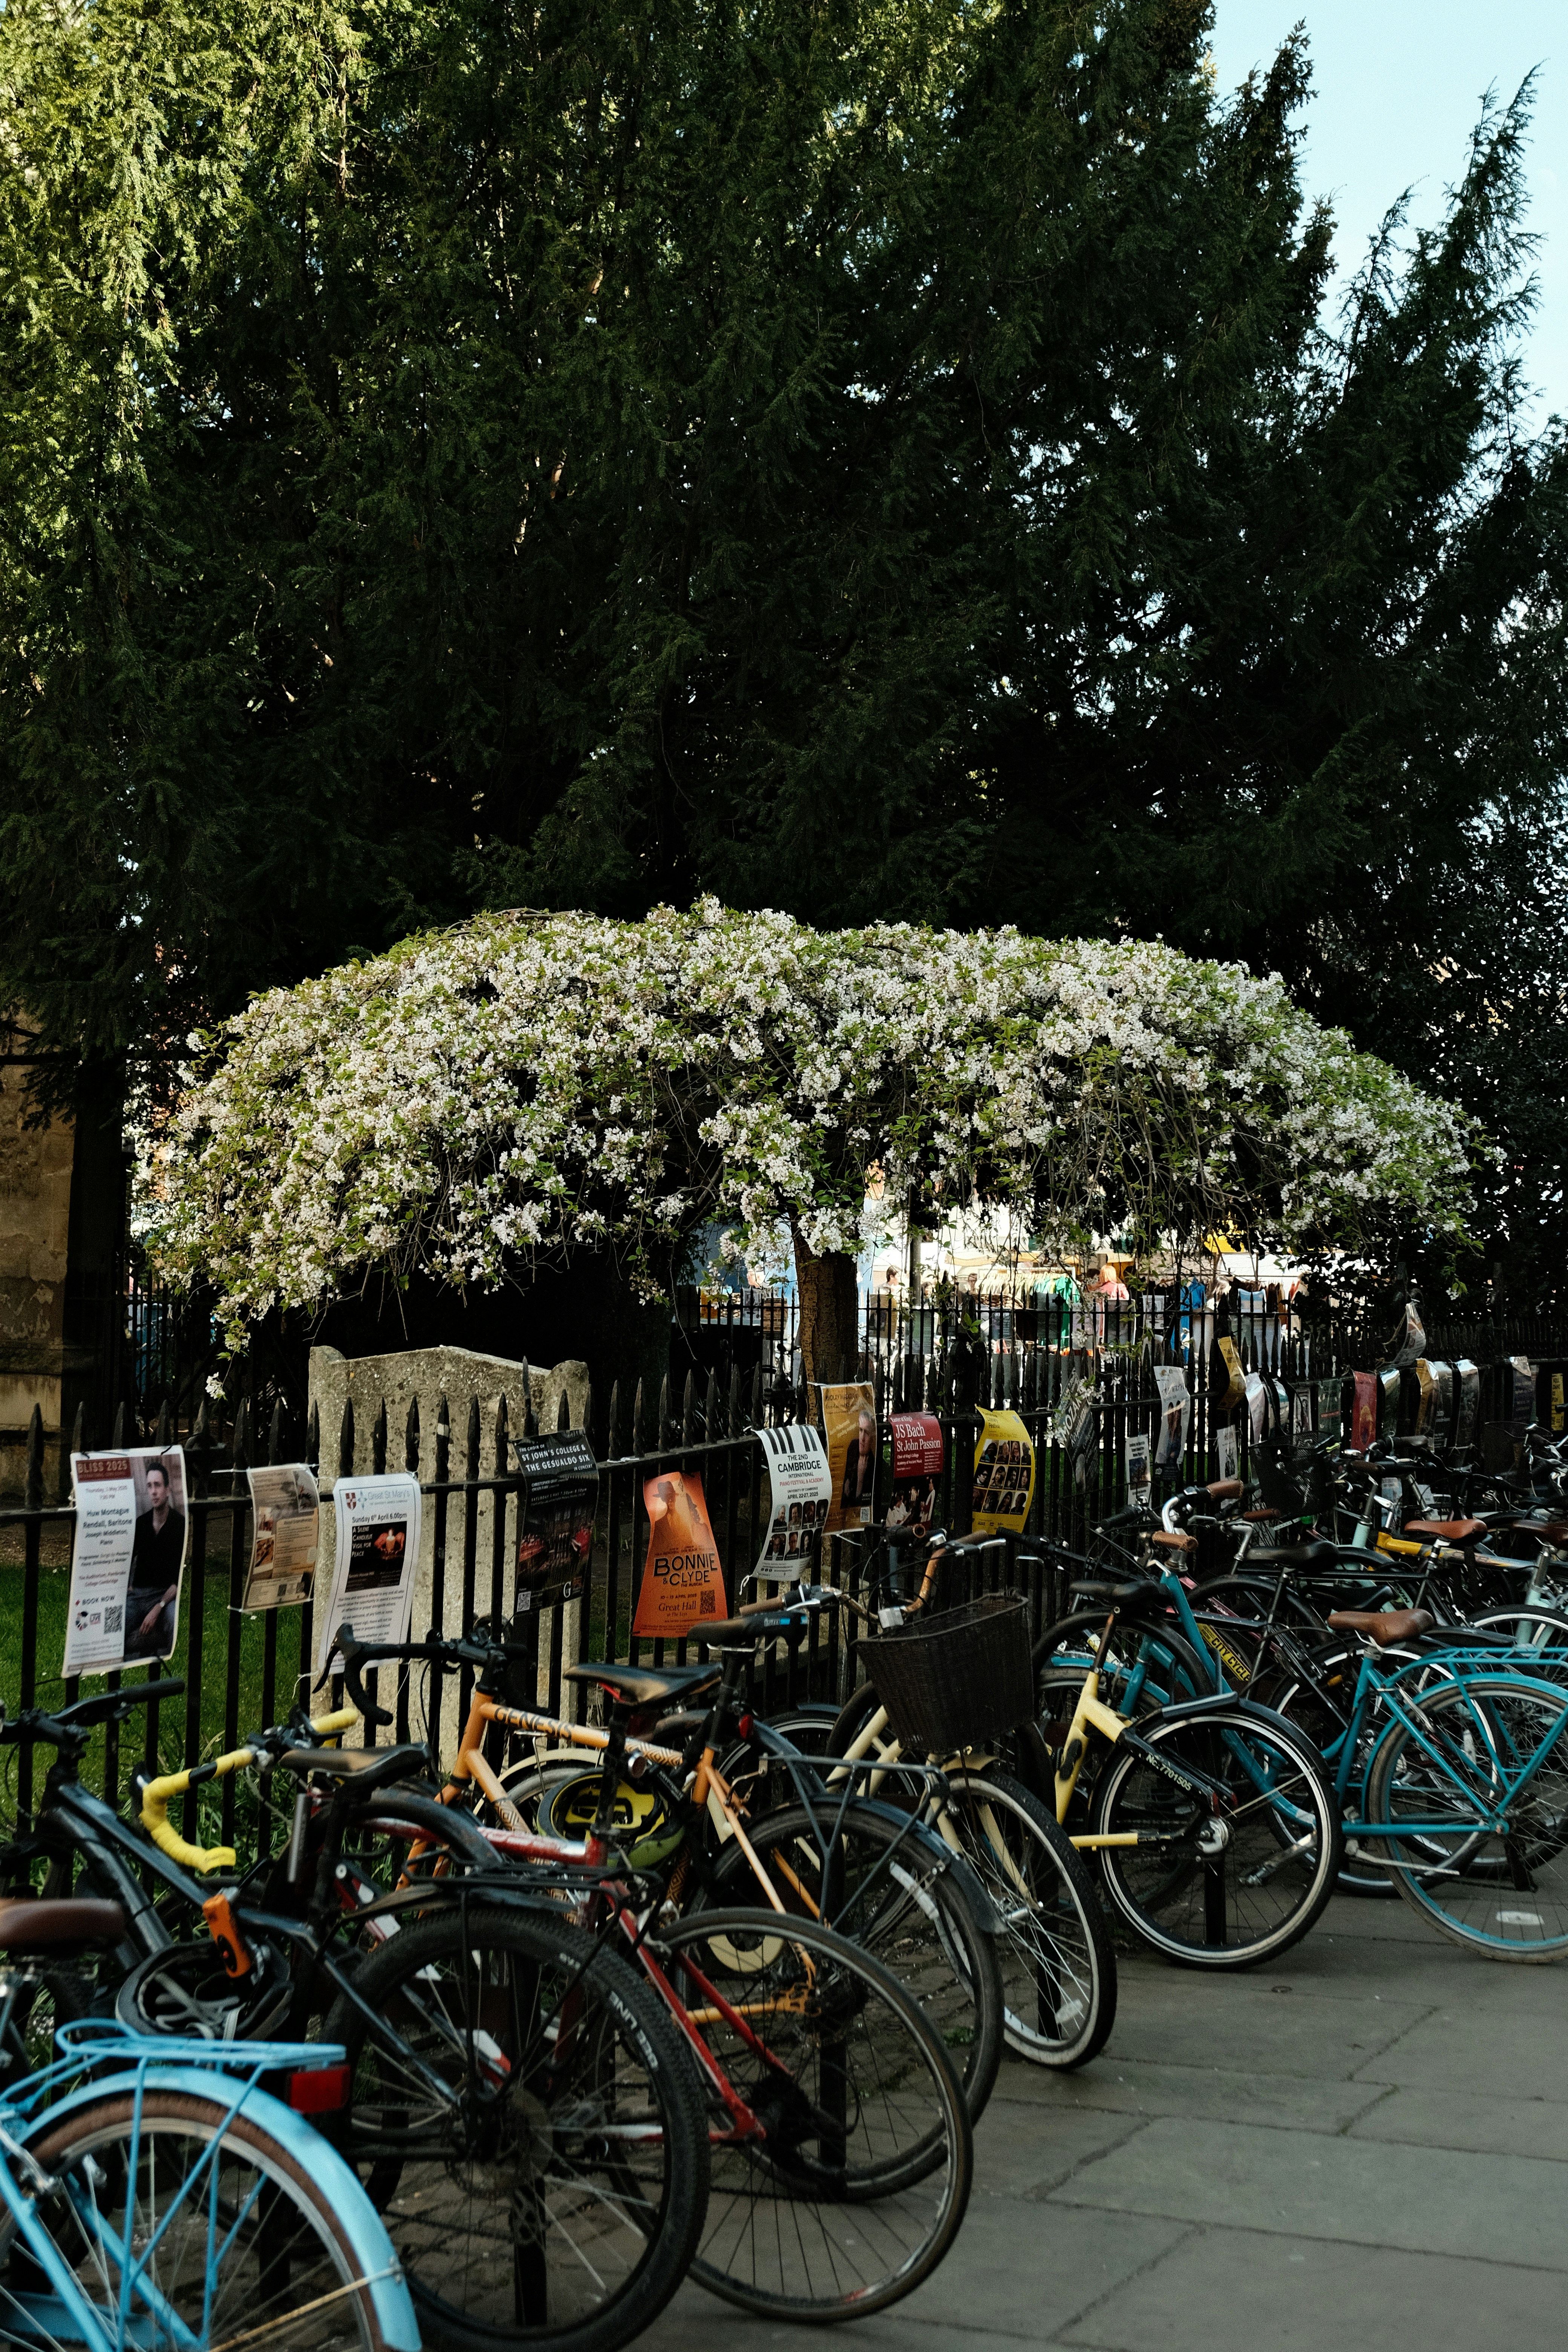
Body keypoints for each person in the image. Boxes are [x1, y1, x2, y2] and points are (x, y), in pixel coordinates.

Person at [126, 1458, 184, 1660]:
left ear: (167, 1490)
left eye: (158, 1485)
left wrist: (158, 1608)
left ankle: (151, 1642)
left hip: (165, 1596)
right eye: (149, 1486)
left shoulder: (180, 1525)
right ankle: (151, 1641)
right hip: (139, 1595)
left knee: (174, 1621)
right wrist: (128, 1587)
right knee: (116, 1628)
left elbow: (179, 1580)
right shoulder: (141, 1524)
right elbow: (125, 1561)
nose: (153, 1492)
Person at [840, 1410, 876, 1510]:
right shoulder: (854, 1445)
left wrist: (860, 1479)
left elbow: (859, 1506)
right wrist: (847, 1481)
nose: (862, 1438)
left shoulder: (872, 1465)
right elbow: (847, 1470)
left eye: (867, 1433)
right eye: (861, 1430)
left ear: (872, 1438)